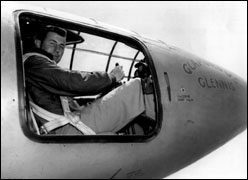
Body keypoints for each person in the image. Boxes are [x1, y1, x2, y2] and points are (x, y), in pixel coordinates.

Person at [24, 25, 151, 135]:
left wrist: (103, 93)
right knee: (138, 87)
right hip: (67, 128)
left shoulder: (39, 65)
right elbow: (72, 81)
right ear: (38, 43)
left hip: (66, 124)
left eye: (62, 46)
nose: (58, 50)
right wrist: (111, 77)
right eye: (52, 44)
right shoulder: (35, 62)